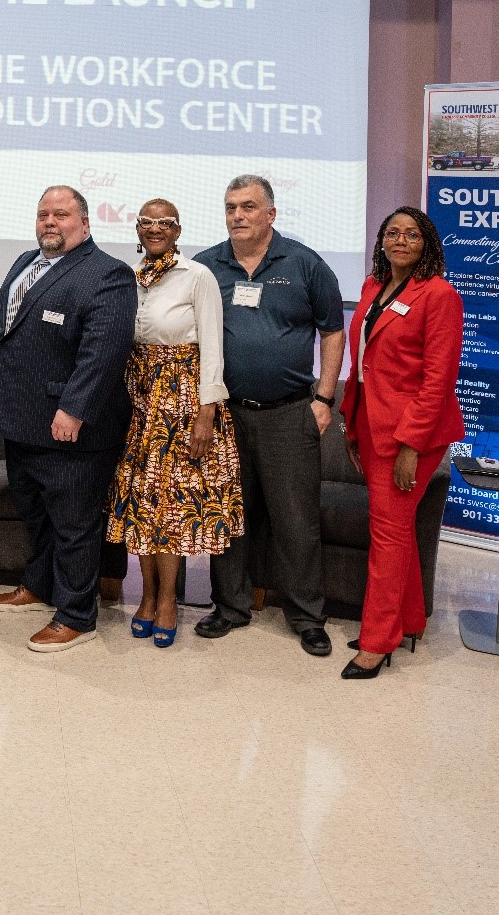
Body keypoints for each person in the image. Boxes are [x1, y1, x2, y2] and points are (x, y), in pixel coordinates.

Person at [195, 174, 345, 657]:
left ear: (271, 214)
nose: (237, 215)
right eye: (230, 207)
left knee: (296, 521)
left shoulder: (304, 264)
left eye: (248, 207)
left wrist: (323, 399)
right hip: (225, 415)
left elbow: (332, 330)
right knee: (228, 516)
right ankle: (230, 607)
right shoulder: (206, 266)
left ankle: (306, 615)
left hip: (288, 414)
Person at [0, 186, 137, 652]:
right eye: (43, 214)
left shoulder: (108, 274)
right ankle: (39, 585)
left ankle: (76, 614)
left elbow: (103, 353)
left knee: (75, 524)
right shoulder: (25, 262)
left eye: (62, 214)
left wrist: (73, 408)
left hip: (69, 427)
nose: (50, 221)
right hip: (20, 422)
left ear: (85, 223)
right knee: (38, 516)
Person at [106, 199, 243, 648]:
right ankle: (144, 597)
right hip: (137, 402)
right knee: (140, 506)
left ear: (178, 229)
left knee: (169, 509)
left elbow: (213, 346)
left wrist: (207, 412)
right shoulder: (128, 276)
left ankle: (167, 602)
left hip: (181, 403)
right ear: (138, 228)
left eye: (165, 223)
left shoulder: (196, 275)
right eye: (147, 223)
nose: (155, 230)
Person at [338, 206, 464, 678]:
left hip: (413, 432)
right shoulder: (374, 287)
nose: (401, 240)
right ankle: (408, 620)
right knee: (397, 527)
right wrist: (352, 423)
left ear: (427, 243)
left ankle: (377, 641)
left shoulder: (440, 296)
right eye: (393, 233)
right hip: (371, 421)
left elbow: (438, 381)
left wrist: (410, 445)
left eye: (412, 234)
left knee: (387, 534)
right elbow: (364, 361)